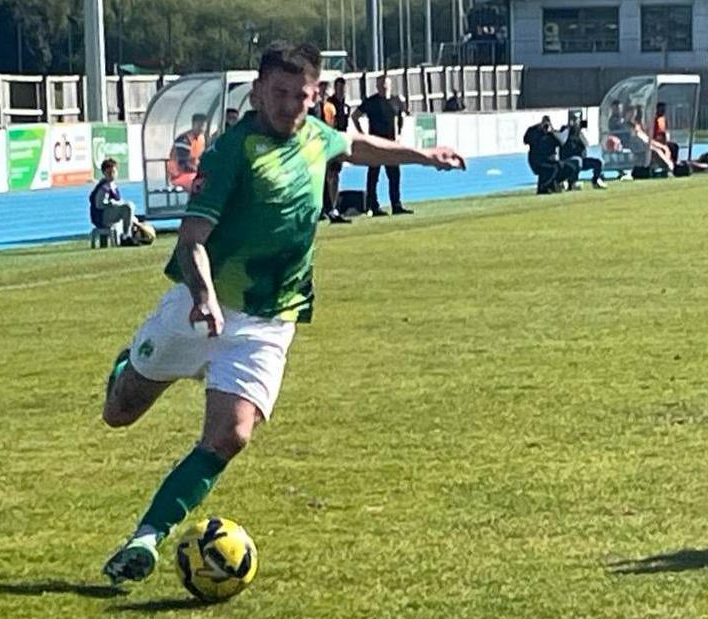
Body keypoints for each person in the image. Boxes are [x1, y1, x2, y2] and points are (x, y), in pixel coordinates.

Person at [99, 41, 465, 585]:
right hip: (204, 305)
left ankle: (147, 537)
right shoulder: (231, 153)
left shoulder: (318, 136)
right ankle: (129, 365)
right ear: (258, 92)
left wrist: (421, 156)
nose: (290, 104)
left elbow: (357, 146)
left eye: (301, 95)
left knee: (231, 436)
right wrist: (201, 296)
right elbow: (192, 240)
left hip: (271, 318)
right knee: (120, 412)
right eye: (279, 93)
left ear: (315, 95)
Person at [351, 75, 413, 216]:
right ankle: (374, 206)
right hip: (375, 145)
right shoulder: (371, 102)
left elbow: (402, 117)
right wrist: (363, 136)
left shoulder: (396, 101)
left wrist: (399, 134)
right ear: (377, 86)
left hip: (391, 145)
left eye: (385, 84)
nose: (383, 87)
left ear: (389, 85)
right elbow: (355, 116)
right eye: (381, 85)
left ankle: (396, 205)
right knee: (373, 176)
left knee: (394, 175)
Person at [89, 158, 141, 245]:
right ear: (104, 173)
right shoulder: (104, 187)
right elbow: (99, 204)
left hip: (106, 214)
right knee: (127, 207)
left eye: (113, 172)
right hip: (101, 216)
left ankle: (132, 235)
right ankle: (126, 237)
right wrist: (112, 203)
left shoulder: (112, 185)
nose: (111, 174)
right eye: (108, 172)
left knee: (130, 212)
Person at [523, 115, 577, 194]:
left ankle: (552, 184)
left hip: (550, 161)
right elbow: (525, 140)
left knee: (570, 168)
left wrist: (552, 131)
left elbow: (561, 142)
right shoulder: (534, 132)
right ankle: (543, 187)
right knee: (553, 169)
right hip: (537, 161)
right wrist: (537, 128)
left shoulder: (551, 135)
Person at [324, 77, 351, 224]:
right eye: (339, 88)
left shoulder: (346, 105)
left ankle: (333, 205)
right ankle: (328, 206)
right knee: (329, 174)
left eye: (343, 88)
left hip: (341, 142)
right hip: (331, 142)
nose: (341, 90)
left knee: (335, 174)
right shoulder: (330, 104)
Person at [559, 115, 607, 190]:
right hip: (568, 161)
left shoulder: (579, 134)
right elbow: (561, 140)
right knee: (576, 162)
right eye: (576, 122)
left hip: (580, 161)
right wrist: (569, 129)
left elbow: (587, 144)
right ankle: (571, 183)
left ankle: (596, 181)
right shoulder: (566, 132)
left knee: (598, 162)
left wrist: (581, 132)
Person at [167, 113, 207, 188]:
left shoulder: (202, 138)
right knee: (201, 184)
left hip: (194, 173)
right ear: (193, 124)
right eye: (199, 125)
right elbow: (183, 164)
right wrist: (201, 171)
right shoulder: (184, 140)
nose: (202, 129)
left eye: (203, 126)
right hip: (178, 174)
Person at [629, 107, 675, 172]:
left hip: (646, 144)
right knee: (657, 151)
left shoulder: (639, 126)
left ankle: (670, 165)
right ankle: (669, 167)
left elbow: (647, 139)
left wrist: (661, 146)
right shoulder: (630, 127)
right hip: (638, 146)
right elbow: (639, 140)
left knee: (665, 148)